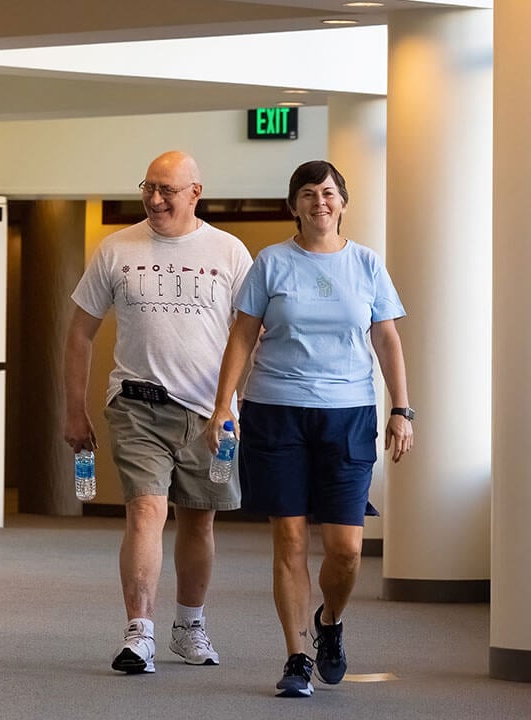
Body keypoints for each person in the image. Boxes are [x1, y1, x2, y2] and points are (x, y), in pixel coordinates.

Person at [205, 160, 413, 698]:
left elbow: (386, 339)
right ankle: (296, 656)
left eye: (328, 192)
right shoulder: (271, 263)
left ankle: (330, 623)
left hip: (348, 414)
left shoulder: (366, 264)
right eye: (307, 193)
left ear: (343, 201)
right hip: (276, 410)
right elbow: (242, 335)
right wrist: (223, 403)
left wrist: (402, 409)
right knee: (290, 537)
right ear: (292, 204)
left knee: (346, 548)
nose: (319, 201)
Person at [63, 150, 253, 674]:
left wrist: (233, 405)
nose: (154, 198)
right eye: (148, 186)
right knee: (146, 508)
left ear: (195, 192)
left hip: (211, 414)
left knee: (199, 520)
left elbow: (250, 335)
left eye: (167, 189)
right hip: (137, 404)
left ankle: (189, 626)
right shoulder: (117, 248)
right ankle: (139, 632)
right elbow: (79, 333)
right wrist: (74, 411)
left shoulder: (230, 252)